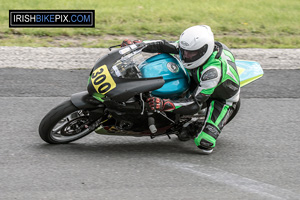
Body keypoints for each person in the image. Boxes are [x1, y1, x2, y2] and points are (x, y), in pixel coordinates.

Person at [121, 25, 240, 154]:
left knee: (205, 143)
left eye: (191, 53)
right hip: (196, 78)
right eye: (184, 51)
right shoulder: (191, 47)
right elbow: (164, 45)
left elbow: (195, 104)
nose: (185, 55)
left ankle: (192, 127)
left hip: (220, 98)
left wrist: (165, 104)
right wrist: (138, 46)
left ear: (203, 51)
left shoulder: (212, 72)